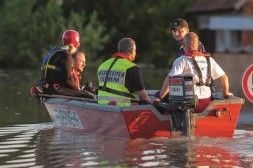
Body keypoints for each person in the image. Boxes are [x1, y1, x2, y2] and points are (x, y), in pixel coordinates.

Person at [155, 32, 233, 113]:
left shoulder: (181, 60)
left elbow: (170, 80)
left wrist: (159, 97)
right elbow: (224, 78)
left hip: (188, 104)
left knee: (163, 104)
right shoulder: (209, 60)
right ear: (198, 45)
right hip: (206, 103)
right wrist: (225, 93)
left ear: (184, 45)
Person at [31, 30, 95, 99]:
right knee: (90, 96)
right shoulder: (66, 55)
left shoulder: (56, 52)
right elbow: (69, 81)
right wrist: (78, 90)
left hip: (47, 88)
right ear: (76, 44)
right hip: (56, 89)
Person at [97, 37, 151, 106]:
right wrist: (154, 102)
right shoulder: (132, 68)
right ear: (132, 51)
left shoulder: (102, 65)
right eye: (135, 50)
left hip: (101, 105)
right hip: (122, 107)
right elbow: (144, 98)